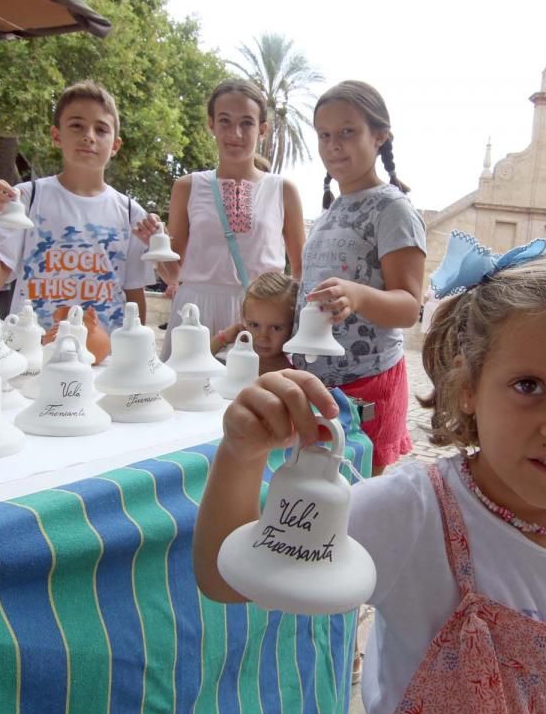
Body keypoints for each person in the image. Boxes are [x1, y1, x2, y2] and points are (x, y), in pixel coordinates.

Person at [193, 246, 546, 714]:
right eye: (529, 386)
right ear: (468, 386)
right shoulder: (414, 513)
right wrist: (241, 454)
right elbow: (227, 580)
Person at [294, 80, 426, 471]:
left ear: (380, 136)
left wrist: (359, 296)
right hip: (319, 384)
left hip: (368, 385)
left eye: (348, 132)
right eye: (324, 135)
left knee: (359, 501)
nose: (334, 144)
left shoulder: (393, 210)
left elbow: (408, 307)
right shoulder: (329, 213)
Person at [0, 81, 155, 331]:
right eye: (77, 125)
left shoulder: (132, 213)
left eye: (101, 129)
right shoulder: (25, 198)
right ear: (56, 136)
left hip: (103, 357)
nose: (89, 136)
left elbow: (134, 294)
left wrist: (136, 355)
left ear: (115, 145)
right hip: (34, 353)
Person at [142, 79, 305, 359]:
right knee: (187, 397)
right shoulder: (187, 187)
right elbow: (174, 273)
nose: (236, 133)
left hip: (258, 320)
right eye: (225, 121)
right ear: (211, 124)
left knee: (251, 399)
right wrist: (155, 245)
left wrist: (281, 319)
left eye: (247, 123)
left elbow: (302, 269)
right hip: (195, 312)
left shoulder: (283, 190)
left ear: (262, 129)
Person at [209, 271, 299, 373]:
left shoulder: (295, 369)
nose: (263, 337)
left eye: (276, 328)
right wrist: (223, 338)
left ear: (293, 328)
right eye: (254, 325)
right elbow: (199, 360)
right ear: (244, 322)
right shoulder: (237, 356)